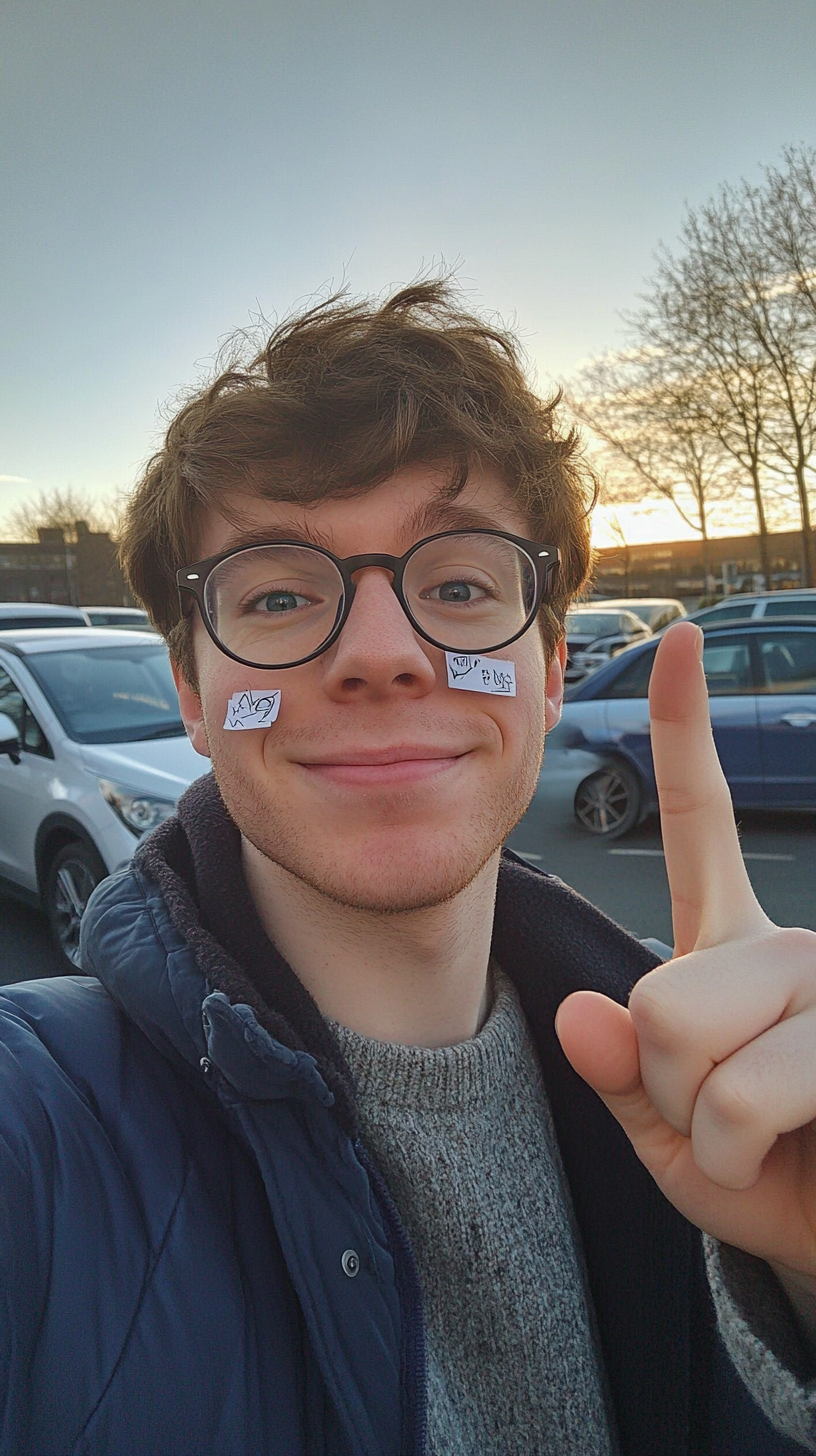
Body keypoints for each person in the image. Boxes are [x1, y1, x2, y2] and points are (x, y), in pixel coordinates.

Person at [1, 281, 815, 1456]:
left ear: (548, 663)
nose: (383, 654)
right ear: (190, 690)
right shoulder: (40, 1130)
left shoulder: (729, 1091)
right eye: (278, 594)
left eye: (458, 586)